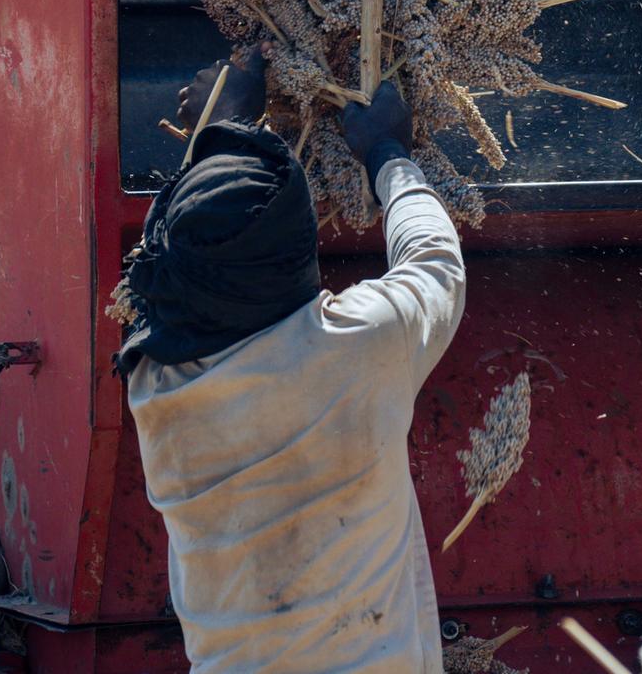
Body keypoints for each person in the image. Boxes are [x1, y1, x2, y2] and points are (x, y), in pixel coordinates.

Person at [114, 56, 466, 673]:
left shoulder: (153, 389)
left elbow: (173, 262)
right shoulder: (358, 346)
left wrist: (216, 133)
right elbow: (435, 263)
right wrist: (388, 150)